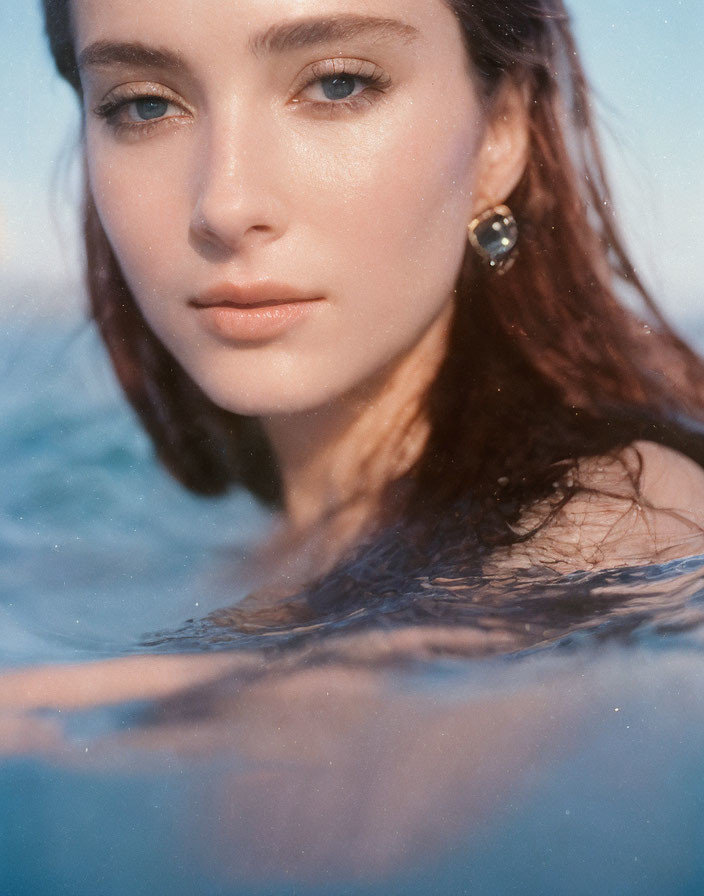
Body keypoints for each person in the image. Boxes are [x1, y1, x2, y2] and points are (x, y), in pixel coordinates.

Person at [40, 0, 704, 610]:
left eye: (338, 84)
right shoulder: (201, 557)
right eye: (144, 106)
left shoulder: (626, 514)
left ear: (499, 134)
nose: (225, 204)